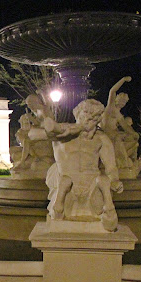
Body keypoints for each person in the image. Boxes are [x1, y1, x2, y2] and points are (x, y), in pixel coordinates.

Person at [43, 99, 123, 231]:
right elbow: (36, 133)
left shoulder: (101, 138)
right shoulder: (62, 134)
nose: (89, 120)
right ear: (77, 114)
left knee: (103, 180)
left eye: (94, 118)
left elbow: (111, 167)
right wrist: (75, 129)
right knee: (64, 180)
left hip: (92, 187)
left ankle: (109, 208)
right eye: (86, 115)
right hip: (68, 188)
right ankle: (58, 206)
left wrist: (115, 180)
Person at [101, 76, 140, 172]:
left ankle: (124, 162)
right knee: (118, 140)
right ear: (116, 99)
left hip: (114, 134)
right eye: (121, 100)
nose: (123, 103)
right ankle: (123, 163)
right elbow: (112, 91)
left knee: (134, 142)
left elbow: (125, 126)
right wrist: (123, 80)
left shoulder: (119, 115)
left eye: (125, 102)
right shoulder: (110, 108)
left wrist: (134, 134)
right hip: (106, 133)